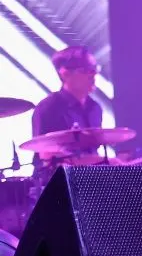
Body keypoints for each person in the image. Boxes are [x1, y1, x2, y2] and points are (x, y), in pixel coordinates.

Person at [29, 46, 104, 181]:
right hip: (58, 185)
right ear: (65, 73)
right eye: (85, 70)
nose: (93, 74)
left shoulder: (95, 108)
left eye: (94, 68)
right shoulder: (47, 108)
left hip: (91, 180)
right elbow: (47, 157)